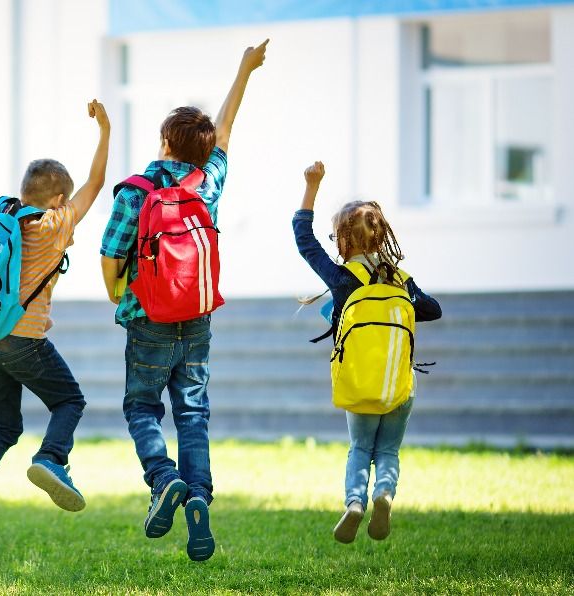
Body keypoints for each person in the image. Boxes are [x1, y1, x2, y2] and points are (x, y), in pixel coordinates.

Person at [99, 40, 268, 561]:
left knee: (140, 407)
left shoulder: (136, 190)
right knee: (192, 413)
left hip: (146, 316)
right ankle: (198, 498)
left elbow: (110, 255)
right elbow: (227, 129)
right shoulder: (207, 184)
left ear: (164, 143)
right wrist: (244, 69)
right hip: (196, 319)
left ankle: (164, 478)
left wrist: (118, 297)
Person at [0, 100, 111, 539]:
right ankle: (52, 459)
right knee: (69, 401)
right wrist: (105, 130)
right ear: (57, 198)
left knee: (3, 424)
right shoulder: (54, 224)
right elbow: (96, 183)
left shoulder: (3, 216)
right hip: (25, 340)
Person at [294, 161, 442, 543]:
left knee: (360, 447)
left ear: (343, 241)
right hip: (399, 386)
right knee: (388, 450)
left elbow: (303, 240)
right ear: (382, 238)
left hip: (359, 384)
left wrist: (312, 186)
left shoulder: (344, 279)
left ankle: (355, 502)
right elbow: (432, 310)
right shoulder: (401, 280)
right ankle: (384, 493)